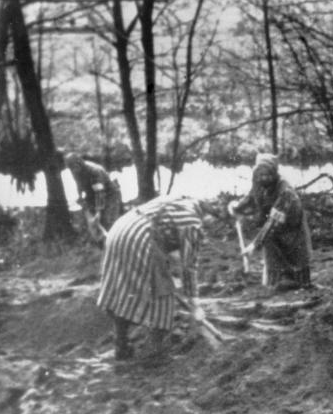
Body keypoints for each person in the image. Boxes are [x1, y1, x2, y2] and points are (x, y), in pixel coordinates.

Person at [97, 196, 206, 361]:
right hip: (140, 238)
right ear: (206, 214)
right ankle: (153, 353)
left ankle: (122, 345)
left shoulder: (177, 202)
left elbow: (174, 252)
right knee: (163, 296)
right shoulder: (192, 221)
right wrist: (195, 304)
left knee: (123, 290)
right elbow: (189, 266)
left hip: (119, 231)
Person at [229, 153, 311, 291]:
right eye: (260, 174)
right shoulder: (258, 182)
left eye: (268, 175)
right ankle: (274, 285)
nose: (264, 178)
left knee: (294, 265)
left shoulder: (285, 191)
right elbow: (251, 197)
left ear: (274, 173)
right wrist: (237, 206)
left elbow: (273, 223)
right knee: (272, 258)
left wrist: (253, 246)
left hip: (291, 231)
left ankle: (295, 286)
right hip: (273, 230)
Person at [64, 152, 124, 240]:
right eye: (71, 168)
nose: (73, 171)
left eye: (74, 167)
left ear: (79, 163)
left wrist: (98, 212)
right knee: (94, 222)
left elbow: (100, 192)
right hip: (91, 194)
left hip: (109, 195)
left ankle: (114, 240)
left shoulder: (94, 171)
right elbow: (79, 185)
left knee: (108, 220)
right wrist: (80, 198)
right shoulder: (75, 171)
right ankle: (100, 241)